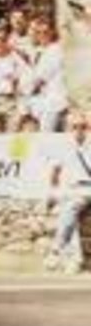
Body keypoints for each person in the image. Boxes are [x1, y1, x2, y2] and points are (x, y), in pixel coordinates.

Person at [44, 111, 91, 275]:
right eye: (75, 127)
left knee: (69, 207)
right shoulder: (63, 147)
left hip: (87, 188)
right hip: (70, 190)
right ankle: (75, 260)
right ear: (69, 129)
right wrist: (52, 192)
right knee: (68, 210)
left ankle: (56, 247)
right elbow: (55, 173)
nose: (79, 130)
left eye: (83, 127)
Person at [27, 17, 68, 133]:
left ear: (52, 32)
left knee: (48, 136)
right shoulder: (39, 51)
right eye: (39, 32)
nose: (42, 35)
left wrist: (30, 87)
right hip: (43, 101)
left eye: (45, 32)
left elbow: (40, 79)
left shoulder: (56, 50)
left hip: (55, 102)